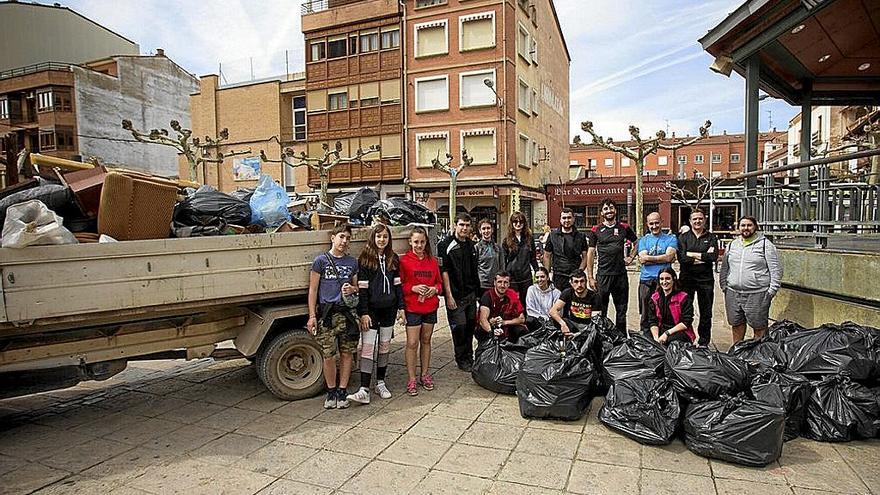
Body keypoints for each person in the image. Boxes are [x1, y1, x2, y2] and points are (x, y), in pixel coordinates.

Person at [347, 224, 405, 405]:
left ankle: (380, 382)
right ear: (373, 238)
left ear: (389, 239)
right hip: (370, 311)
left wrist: (401, 308)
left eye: (385, 237)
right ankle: (364, 389)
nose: (382, 240)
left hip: (389, 310)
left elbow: (398, 286)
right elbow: (362, 290)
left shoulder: (393, 258)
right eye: (378, 236)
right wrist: (363, 313)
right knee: (367, 348)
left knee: (385, 347)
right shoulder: (364, 259)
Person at [307, 224, 359, 410]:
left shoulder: (352, 262)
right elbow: (313, 290)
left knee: (347, 354)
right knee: (328, 355)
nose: (344, 241)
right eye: (341, 237)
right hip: (327, 315)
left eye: (347, 238)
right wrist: (312, 316)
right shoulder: (321, 261)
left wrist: (353, 289)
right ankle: (331, 391)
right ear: (333, 238)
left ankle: (342, 390)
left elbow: (357, 288)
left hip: (347, 315)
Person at [720, 216, 783, 343]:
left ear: (755, 227)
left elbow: (776, 270)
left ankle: (758, 355)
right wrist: (724, 286)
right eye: (743, 225)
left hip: (757, 293)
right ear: (738, 228)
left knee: (759, 327)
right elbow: (725, 268)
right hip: (733, 292)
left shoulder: (766, 245)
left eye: (749, 225)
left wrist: (771, 291)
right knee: (736, 324)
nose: (746, 228)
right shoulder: (732, 245)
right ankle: (737, 352)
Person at [399, 226, 443, 396]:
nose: (419, 245)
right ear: (410, 242)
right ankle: (411, 378)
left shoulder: (432, 261)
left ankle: (424, 374)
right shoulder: (404, 261)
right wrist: (413, 288)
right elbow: (400, 285)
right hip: (413, 308)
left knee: (426, 340)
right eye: (416, 242)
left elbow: (439, 283)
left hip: (430, 307)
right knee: (412, 343)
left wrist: (434, 289)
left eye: (422, 242)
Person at [586, 199, 638, 334]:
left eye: (611, 208)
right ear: (602, 212)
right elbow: (590, 253)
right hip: (603, 275)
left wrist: (631, 257)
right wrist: (590, 277)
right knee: (601, 310)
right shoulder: (595, 230)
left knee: (621, 310)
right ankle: (602, 337)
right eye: (605, 209)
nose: (609, 211)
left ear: (615, 210)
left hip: (620, 275)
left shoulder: (624, 228)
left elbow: (637, 242)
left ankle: (621, 339)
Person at [438, 213, 481, 372]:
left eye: (467, 225)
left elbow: (474, 271)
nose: (464, 228)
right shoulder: (445, 245)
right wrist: (448, 296)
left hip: (470, 296)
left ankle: (469, 357)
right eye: (461, 225)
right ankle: (461, 359)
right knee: (459, 329)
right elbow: (444, 272)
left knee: (470, 327)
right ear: (455, 225)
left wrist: (477, 293)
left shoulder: (471, 245)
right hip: (455, 297)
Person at [677, 209, 719, 347]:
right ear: (690, 221)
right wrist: (702, 256)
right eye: (694, 219)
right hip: (686, 279)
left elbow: (712, 257)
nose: (697, 221)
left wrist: (691, 254)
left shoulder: (711, 237)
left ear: (704, 220)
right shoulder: (683, 238)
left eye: (700, 218)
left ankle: (703, 342)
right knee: (685, 311)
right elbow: (682, 259)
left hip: (706, 281)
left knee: (706, 313)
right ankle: (686, 339)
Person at [636, 212, 678, 331]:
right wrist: (662, 258)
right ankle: (644, 336)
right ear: (647, 225)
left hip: (664, 281)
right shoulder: (643, 240)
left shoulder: (671, 238)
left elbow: (669, 257)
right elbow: (642, 259)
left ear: (661, 222)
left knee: (664, 311)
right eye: (651, 223)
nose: (654, 226)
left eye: (656, 223)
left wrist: (650, 259)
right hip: (646, 281)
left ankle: (662, 337)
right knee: (645, 312)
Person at [646, 267, 696, 346]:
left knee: (671, 344)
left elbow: (686, 322)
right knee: (645, 341)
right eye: (661, 279)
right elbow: (653, 321)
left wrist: (667, 333)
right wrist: (656, 339)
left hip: (679, 331)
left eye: (668, 278)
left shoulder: (683, 297)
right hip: (661, 329)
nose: (664, 282)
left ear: (674, 279)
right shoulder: (654, 298)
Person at [543, 207, 588, 292]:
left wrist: (580, 271)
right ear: (560, 220)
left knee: (575, 303)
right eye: (564, 218)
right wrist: (547, 273)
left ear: (573, 219)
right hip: (559, 276)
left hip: (575, 277)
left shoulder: (581, 236)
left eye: (569, 217)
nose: (566, 220)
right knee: (559, 301)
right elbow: (546, 256)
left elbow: (585, 256)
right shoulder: (552, 236)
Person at [478, 271, 528, 343]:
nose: (502, 285)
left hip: (507, 326)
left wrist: (504, 322)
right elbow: (483, 320)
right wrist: (492, 331)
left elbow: (522, 319)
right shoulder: (487, 296)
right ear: (494, 283)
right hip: (490, 328)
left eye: (505, 282)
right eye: (499, 282)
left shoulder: (512, 294)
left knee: (521, 330)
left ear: (509, 284)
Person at [548, 271, 603, 336]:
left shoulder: (595, 297)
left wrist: (577, 335)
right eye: (576, 282)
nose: (579, 285)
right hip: (572, 324)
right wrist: (563, 324)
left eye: (582, 281)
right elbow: (552, 311)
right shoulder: (567, 292)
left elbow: (595, 322)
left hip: (588, 327)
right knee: (553, 320)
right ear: (571, 283)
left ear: (586, 282)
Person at [503, 211, 539, 308]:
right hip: (512, 276)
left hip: (526, 275)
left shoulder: (529, 238)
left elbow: (533, 257)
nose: (518, 224)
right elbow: (504, 260)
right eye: (515, 222)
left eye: (521, 222)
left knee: (527, 301)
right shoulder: (507, 240)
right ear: (512, 223)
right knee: (513, 301)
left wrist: (537, 271)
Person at [475, 218, 503, 292]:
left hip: (496, 284)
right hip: (482, 285)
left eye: (488, 228)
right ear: (480, 231)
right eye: (483, 229)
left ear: (492, 230)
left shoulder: (498, 248)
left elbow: (502, 266)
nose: (486, 231)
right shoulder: (476, 248)